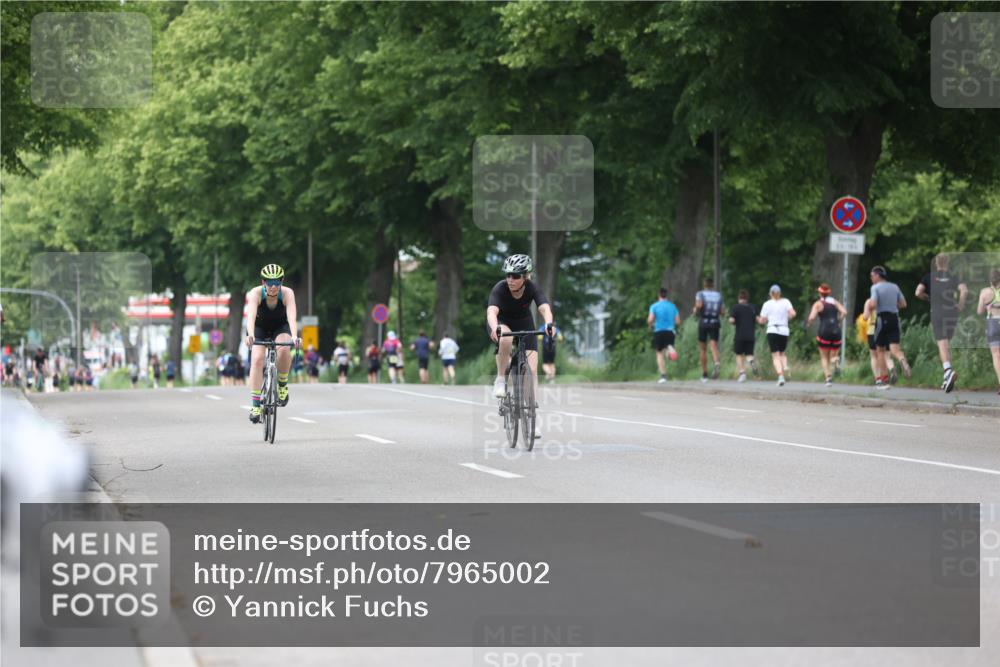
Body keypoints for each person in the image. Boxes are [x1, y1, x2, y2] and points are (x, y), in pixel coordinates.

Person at [486, 254, 554, 439]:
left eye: (515, 276)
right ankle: (501, 379)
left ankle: (532, 420)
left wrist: (549, 324)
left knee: (532, 371)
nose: (510, 279)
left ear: (526, 276)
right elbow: (492, 311)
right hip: (502, 323)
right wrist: (495, 328)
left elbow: (544, 307)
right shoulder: (500, 288)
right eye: (508, 275)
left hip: (524, 323)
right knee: (506, 339)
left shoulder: (532, 287)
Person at [244, 263, 301, 424]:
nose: (274, 286)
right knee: (256, 359)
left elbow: (291, 317)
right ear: (263, 282)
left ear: (281, 281)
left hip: (280, 327)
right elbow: (250, 317)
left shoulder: (288, 293)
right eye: (270, 282)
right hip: (259, 327)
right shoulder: (255, 293)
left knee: (284, 348)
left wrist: (295, 336)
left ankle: (282, 385)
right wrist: (251, 335)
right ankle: (256, 405)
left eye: (277, 282)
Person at [916, 253, 968, 393]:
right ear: (948, 263)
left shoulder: (928, 277)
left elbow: (918, 292)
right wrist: (961, 305)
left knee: (941, 342)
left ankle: (948, 370)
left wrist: (928, 298)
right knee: (946, 343)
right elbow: (964, 290)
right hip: (952, 311)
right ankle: (946, 378)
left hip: (937, 311)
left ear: (936, 263)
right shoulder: (954, 276)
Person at [869, 265, 911, 390]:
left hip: (882, 319)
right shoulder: (895, 286)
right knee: (895, 349)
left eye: (872, 276)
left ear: (877, 275)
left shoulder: (875, 287)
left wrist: (872, 306)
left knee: (880, 351)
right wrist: (892, 305)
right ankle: (902, 360)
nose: (871, 278)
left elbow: (874, 303)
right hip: (895, 319)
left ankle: (884, 380)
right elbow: (903, 304)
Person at [806, 284, 847, 387]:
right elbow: (844, 312)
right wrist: (839, 321)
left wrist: (808, 323)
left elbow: (811, 317)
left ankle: (828, 379)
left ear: (820, 293)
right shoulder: (834, 302)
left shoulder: (818, 304)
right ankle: (836, 361)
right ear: (829, 293)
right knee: (833, 355)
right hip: (836, 330)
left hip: (824, 330)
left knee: (824, 357)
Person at [757, 284, 796, 386]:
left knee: (775, 355)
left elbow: (762, 320)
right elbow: (793, 313)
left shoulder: (767, 304)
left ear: (770, 294)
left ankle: (781, 376)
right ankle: (785, 366)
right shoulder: (786, 301)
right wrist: (788, 318)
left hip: (772, 330)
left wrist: (759, 319)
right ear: (780, 293)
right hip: (784, 330)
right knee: (782, 353)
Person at [693, 277, 725, 382]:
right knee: (714, 345)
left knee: (703, 349)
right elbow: (722, 312)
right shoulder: (719, 295)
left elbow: (699, 305)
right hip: (715, 322)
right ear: (712, 285)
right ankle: (717, 363)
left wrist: (695, 311)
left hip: (704, 322)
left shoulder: (700, 294)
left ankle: (705, 373)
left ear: (704, 285)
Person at [647, 287, 680, 383]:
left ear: (659, 295)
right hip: (670, 331)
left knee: (659, 353)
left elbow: (650, 319)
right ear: (666, 295)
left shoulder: (654, 306)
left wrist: (650, 325)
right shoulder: (672, 306)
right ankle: (670, 348)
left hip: (659, 331)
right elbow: (678, 321)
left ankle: (663, 376)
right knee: (667, 348)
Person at [976, 268, 1000, 395]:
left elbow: (979, 311)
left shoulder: (984, 292)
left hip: (992, 323)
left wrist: (988, 307)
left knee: (996, 355)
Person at [861, 298, 895, 387]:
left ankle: (878, 379)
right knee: (887, 355)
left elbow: (865, 317)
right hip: (887, 329)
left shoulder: (869, 301)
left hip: (873, 329)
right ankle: (891, 369)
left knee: (874, 356)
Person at [728, 289, 758, 382]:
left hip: (740, 335)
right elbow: (759, 320)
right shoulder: (752, 307)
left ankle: (742, 374)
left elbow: (732, 320)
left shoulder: (736, 307)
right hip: (751, 335)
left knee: (739, 354)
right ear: (747, 298)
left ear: (739, 298)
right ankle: (751, 362)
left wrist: (731, 320)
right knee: (749, 354)